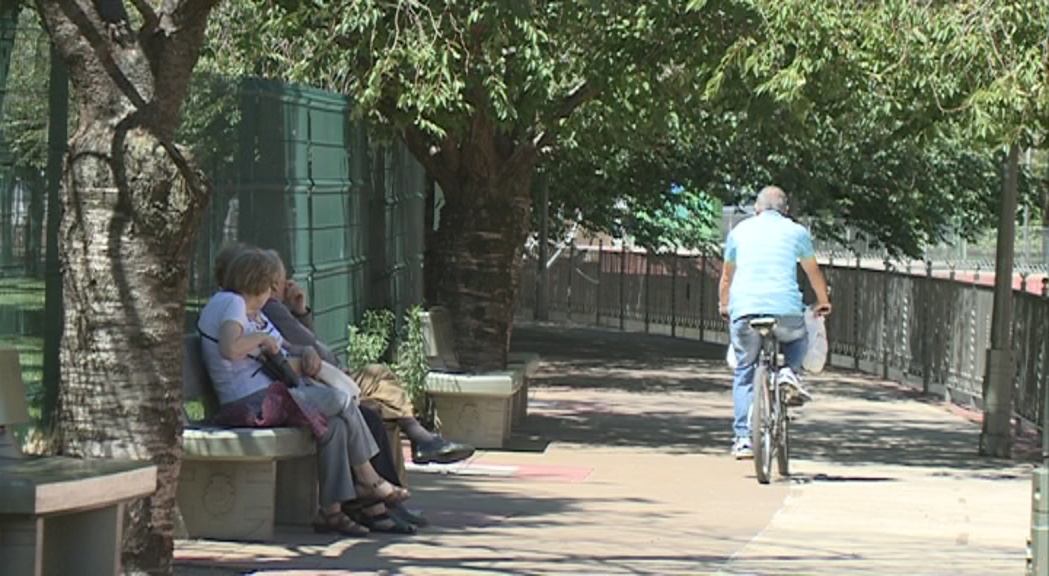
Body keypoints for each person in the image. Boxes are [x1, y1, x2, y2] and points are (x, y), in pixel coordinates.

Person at [198, 248, 409, 536]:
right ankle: (368, 478)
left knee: (334, 426)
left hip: (271, 398)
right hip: (251, 405)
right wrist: (261, 339)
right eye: (271, 285)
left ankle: (331, 511)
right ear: (258, 283)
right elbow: (229, 348)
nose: (273, 292)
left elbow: (285, 347)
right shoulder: (232, 302)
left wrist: (303, 350)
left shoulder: (248, 311)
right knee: (341, 401)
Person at [213, 242, 474, 465]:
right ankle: (413, 445)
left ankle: (414, 444)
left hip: (312, 377)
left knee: (382, 402)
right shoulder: (267, 308)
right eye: (281, 281)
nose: (285, 285)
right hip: (311, 380)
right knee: (376, 392)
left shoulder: (253, 309)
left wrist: (300, 311)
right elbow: (311, 346)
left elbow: (304, 344)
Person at [718, 186, 832, 460]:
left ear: (756, 209)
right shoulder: (796, 232)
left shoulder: (739, 232)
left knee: (745, 369)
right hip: (785, 313)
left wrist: (724, 306)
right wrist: (823, 301)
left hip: (744, 313)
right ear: (786, 211)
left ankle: (743, 438)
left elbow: (726, 277)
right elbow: (812, 270)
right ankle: (789, 372)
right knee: (797, 337)